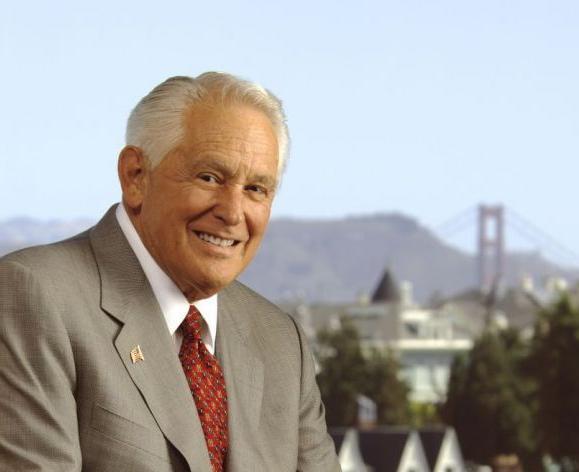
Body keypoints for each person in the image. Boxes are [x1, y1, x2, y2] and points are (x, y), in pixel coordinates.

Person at [0, 73, 341, 472]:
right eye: (209, 177)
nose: (233, 213)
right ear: (136, 176)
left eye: (256, 189)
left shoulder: (281, 340)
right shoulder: (34, 295)